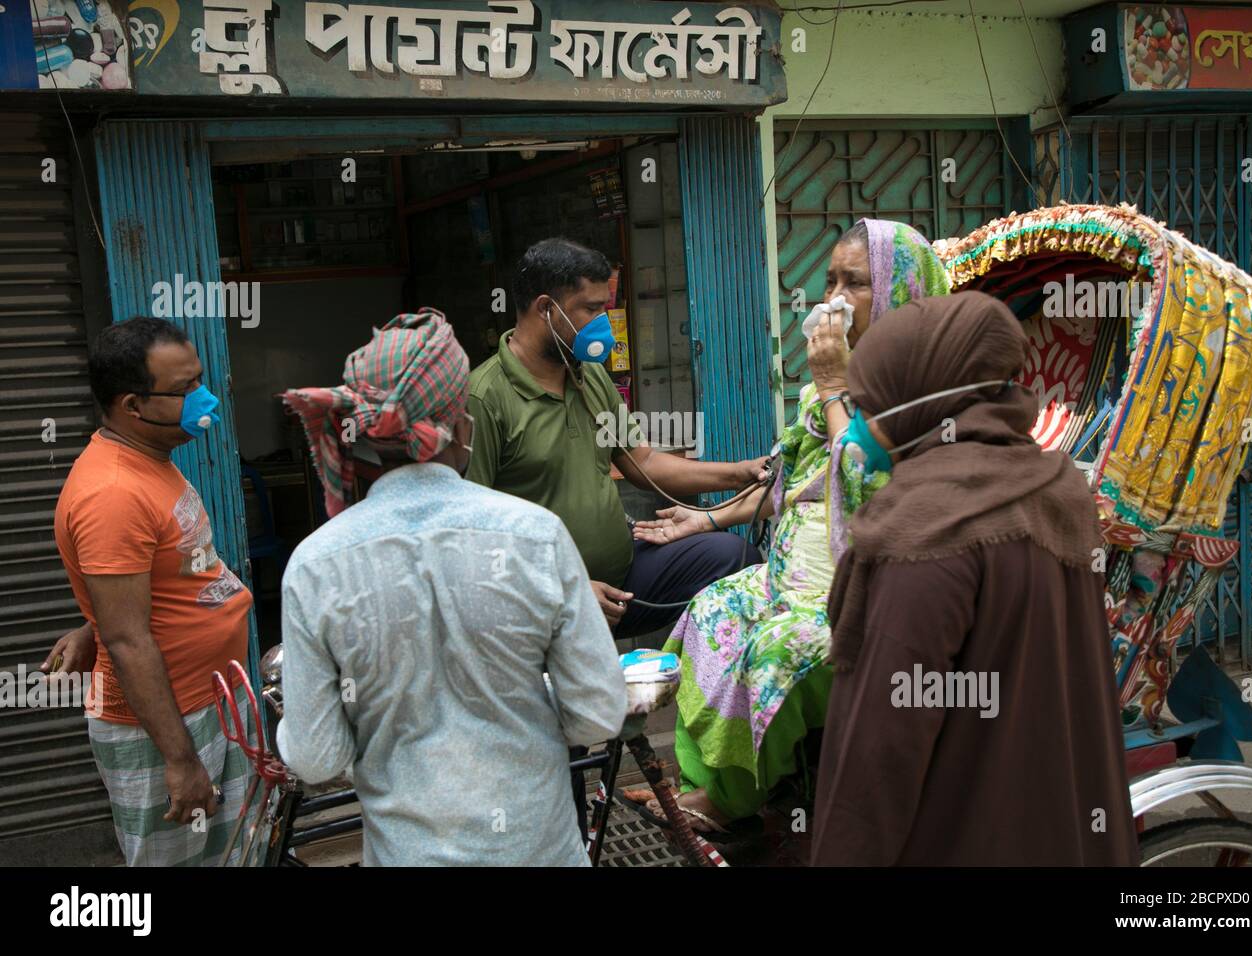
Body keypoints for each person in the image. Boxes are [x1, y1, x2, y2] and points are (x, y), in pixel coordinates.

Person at [626, 218, 950, 835]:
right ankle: (708, 782)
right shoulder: (819, 397)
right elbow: (793, 489)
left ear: (901, 297)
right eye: (829, 279)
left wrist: (834, 388)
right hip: (795, 580)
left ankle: (734, 802)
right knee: (710, 611)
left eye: (854, 282)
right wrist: (707, 518)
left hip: (870, 602)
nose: (833, 299)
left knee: (775, 657)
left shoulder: (929, 401)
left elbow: (866, 491)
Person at [277, 308, 626, 867]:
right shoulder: (535, 535)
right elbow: (596, 715)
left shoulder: (315, 565)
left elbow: (317, 759)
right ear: (461, 426)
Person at [812, 291, 1138, 866]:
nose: (858, 423)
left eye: (868, 404)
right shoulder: (1058, 486)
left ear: (921, 398)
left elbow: (878, 753)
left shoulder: (923, 529)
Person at [467, 238, 769, 639]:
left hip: (621, 580)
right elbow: (467, 535)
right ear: (545, 308)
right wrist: (562, 591)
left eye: (604, 309)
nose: (603, 324)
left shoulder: (589, 375)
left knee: (734, 558)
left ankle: (710, 682)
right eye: (591, 310)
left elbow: (641, 462)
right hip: (538, 602)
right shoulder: (484, 397)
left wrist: (740, 473)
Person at [53, 317, 253, 866]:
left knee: (231, 855)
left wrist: (93, 623)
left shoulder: (151, 463)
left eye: (199, 380)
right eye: (184, 389)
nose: (203, 396)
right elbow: (128, 638)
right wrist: (181, 760)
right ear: (133, 406)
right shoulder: (113, 493)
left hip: (207, 700)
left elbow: (148, 585)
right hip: (169, 727)